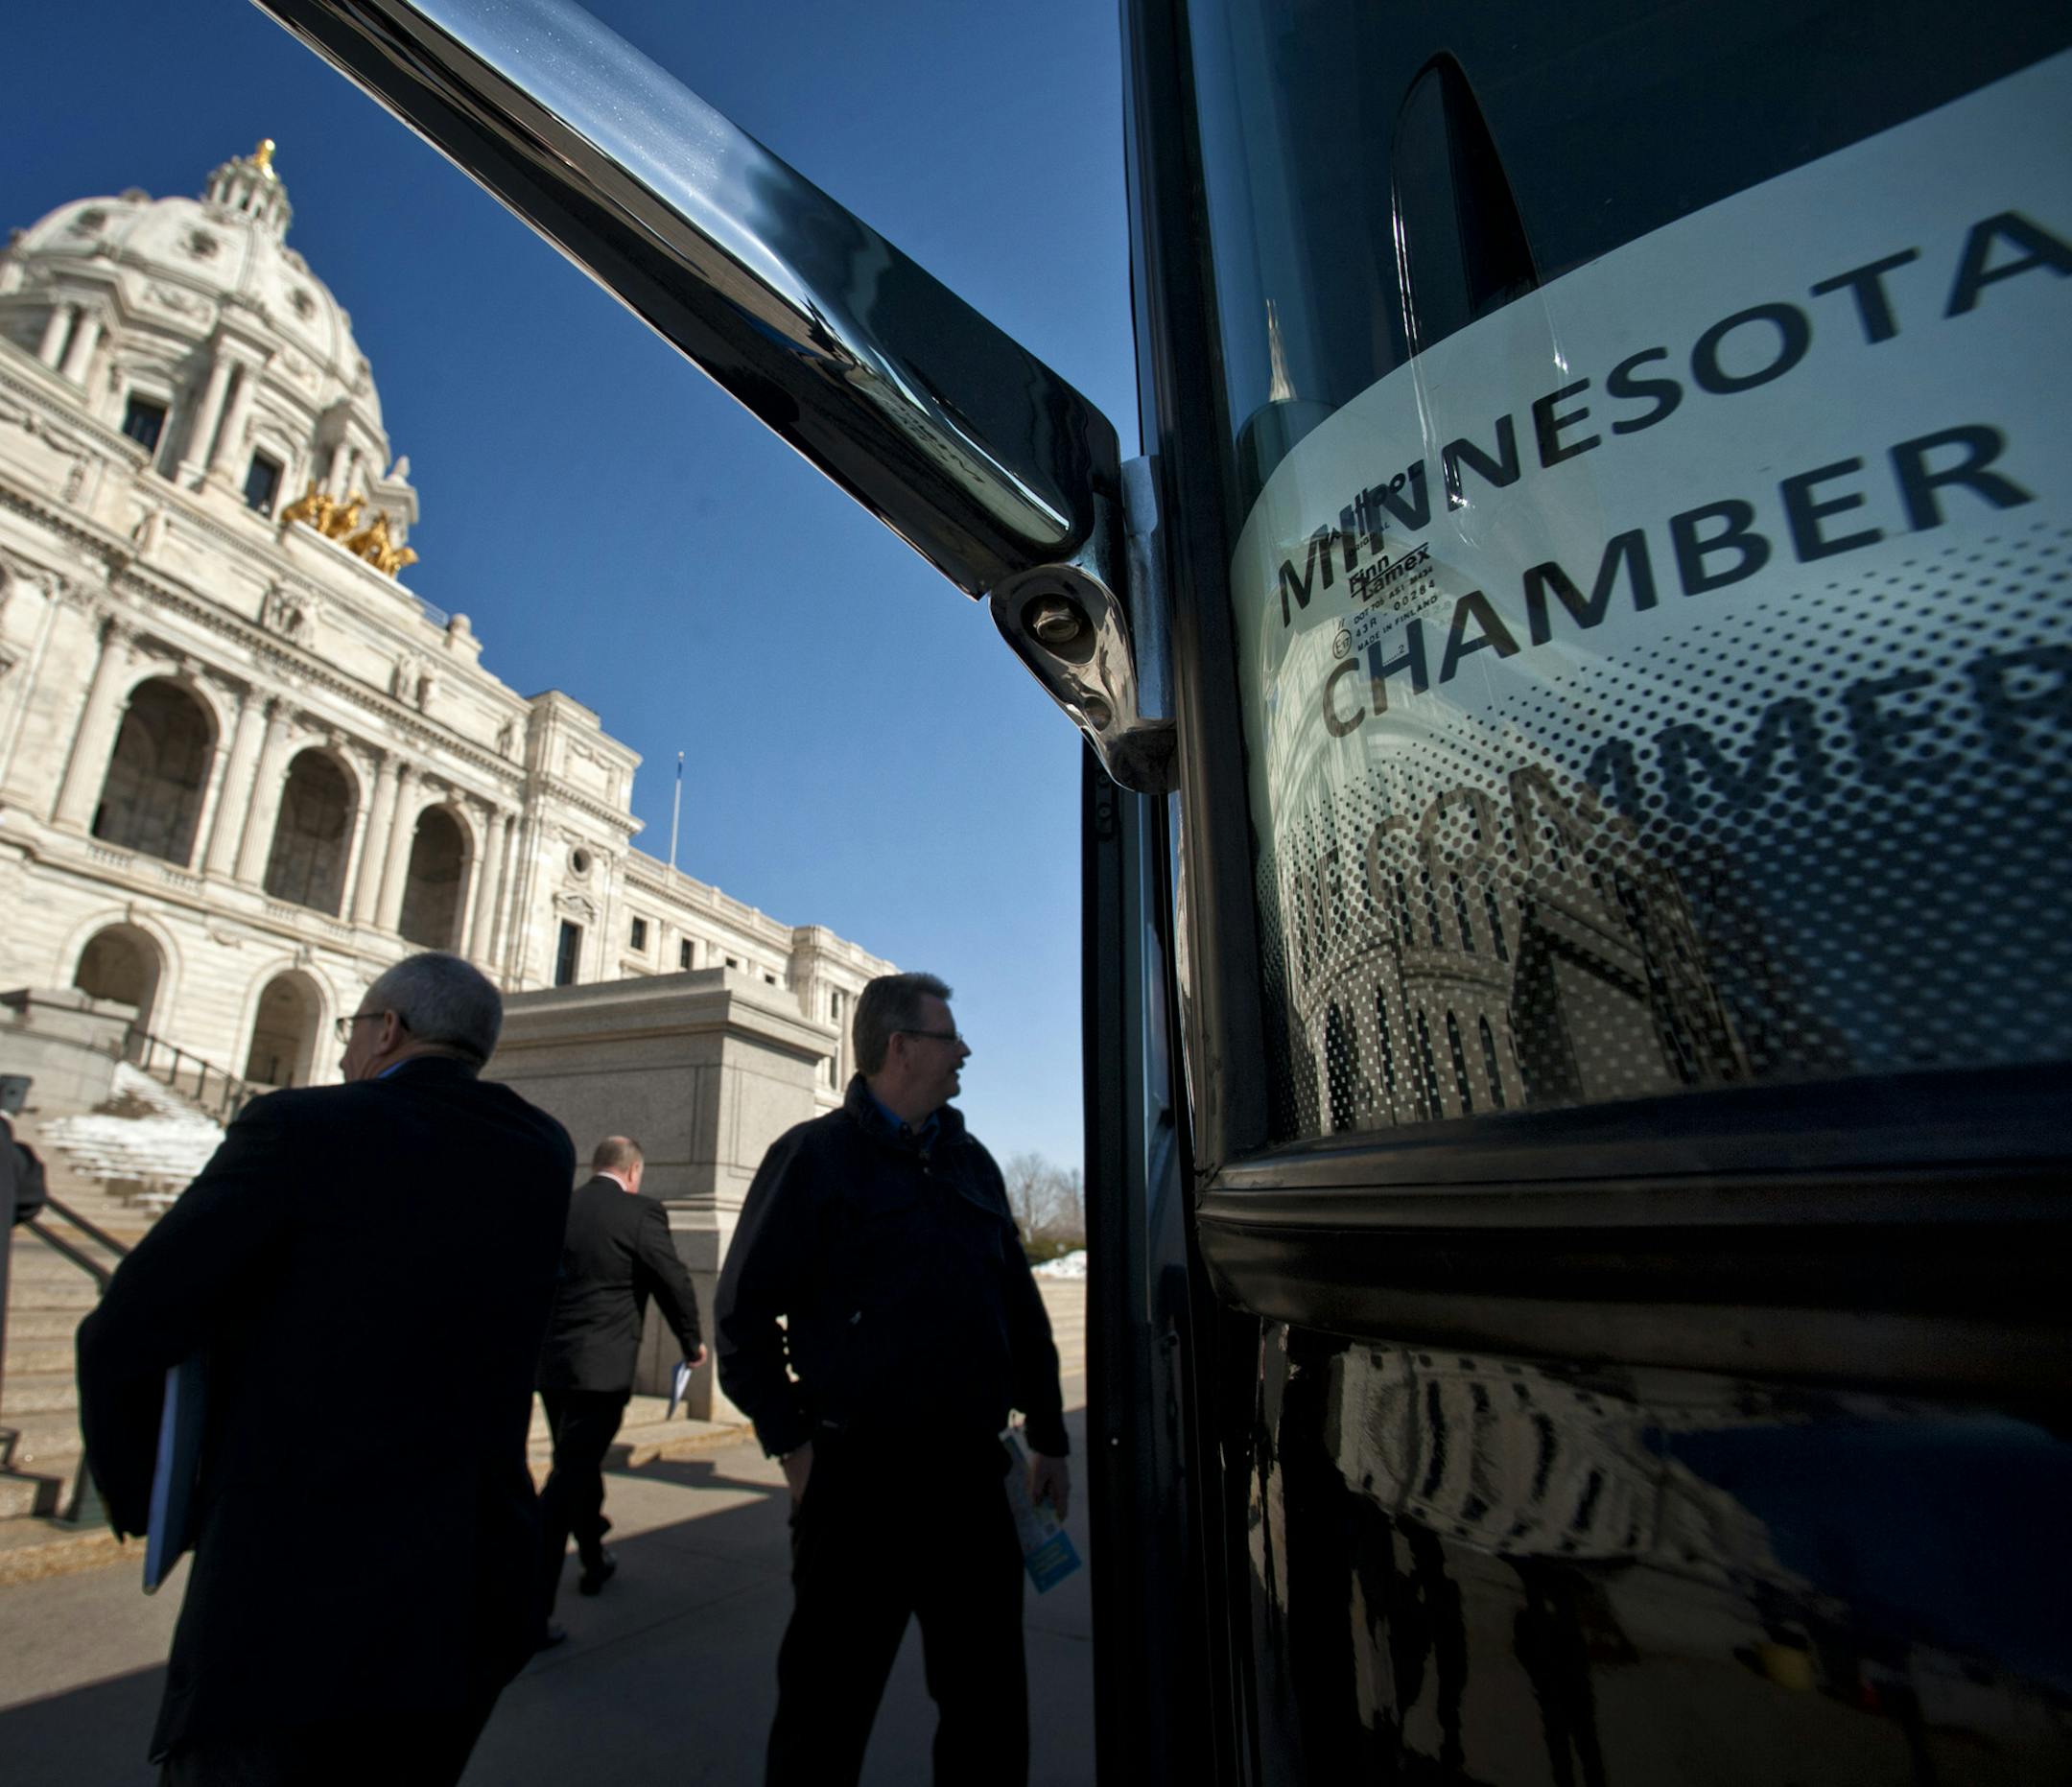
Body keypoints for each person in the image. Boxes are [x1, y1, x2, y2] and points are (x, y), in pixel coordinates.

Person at [75, 952, 575, 1787]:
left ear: (387, 1030)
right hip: (466, 1590)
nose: (345, 1053)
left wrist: (156, 1502)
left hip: (293, 1597)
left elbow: (127, 1328)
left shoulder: (300, 1127)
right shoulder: (542, 1149)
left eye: (353, 1030)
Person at [716, 971, 1070, 1786]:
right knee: (822, 1725)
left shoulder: (972, 1161)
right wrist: (797, 1449)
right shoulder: (811, 1159)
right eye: (950, 1037)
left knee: (988, 1719)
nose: (966, 1052)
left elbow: (1019, 1307)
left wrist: (1048, 1433)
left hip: (974, 1487)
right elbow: (739, 1320)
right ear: (901, 1048)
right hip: (856, 1490)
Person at [534, 1134, 707, 1633]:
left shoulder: (559, 1209)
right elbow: (670, 1278)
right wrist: (691, 1339)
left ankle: (593, 1557)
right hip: (603, 1370)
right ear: (633, 1173)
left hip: (553, 1365)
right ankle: (530, 1612)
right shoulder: (641, 1214)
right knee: (566, 1480)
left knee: (576, 1464)